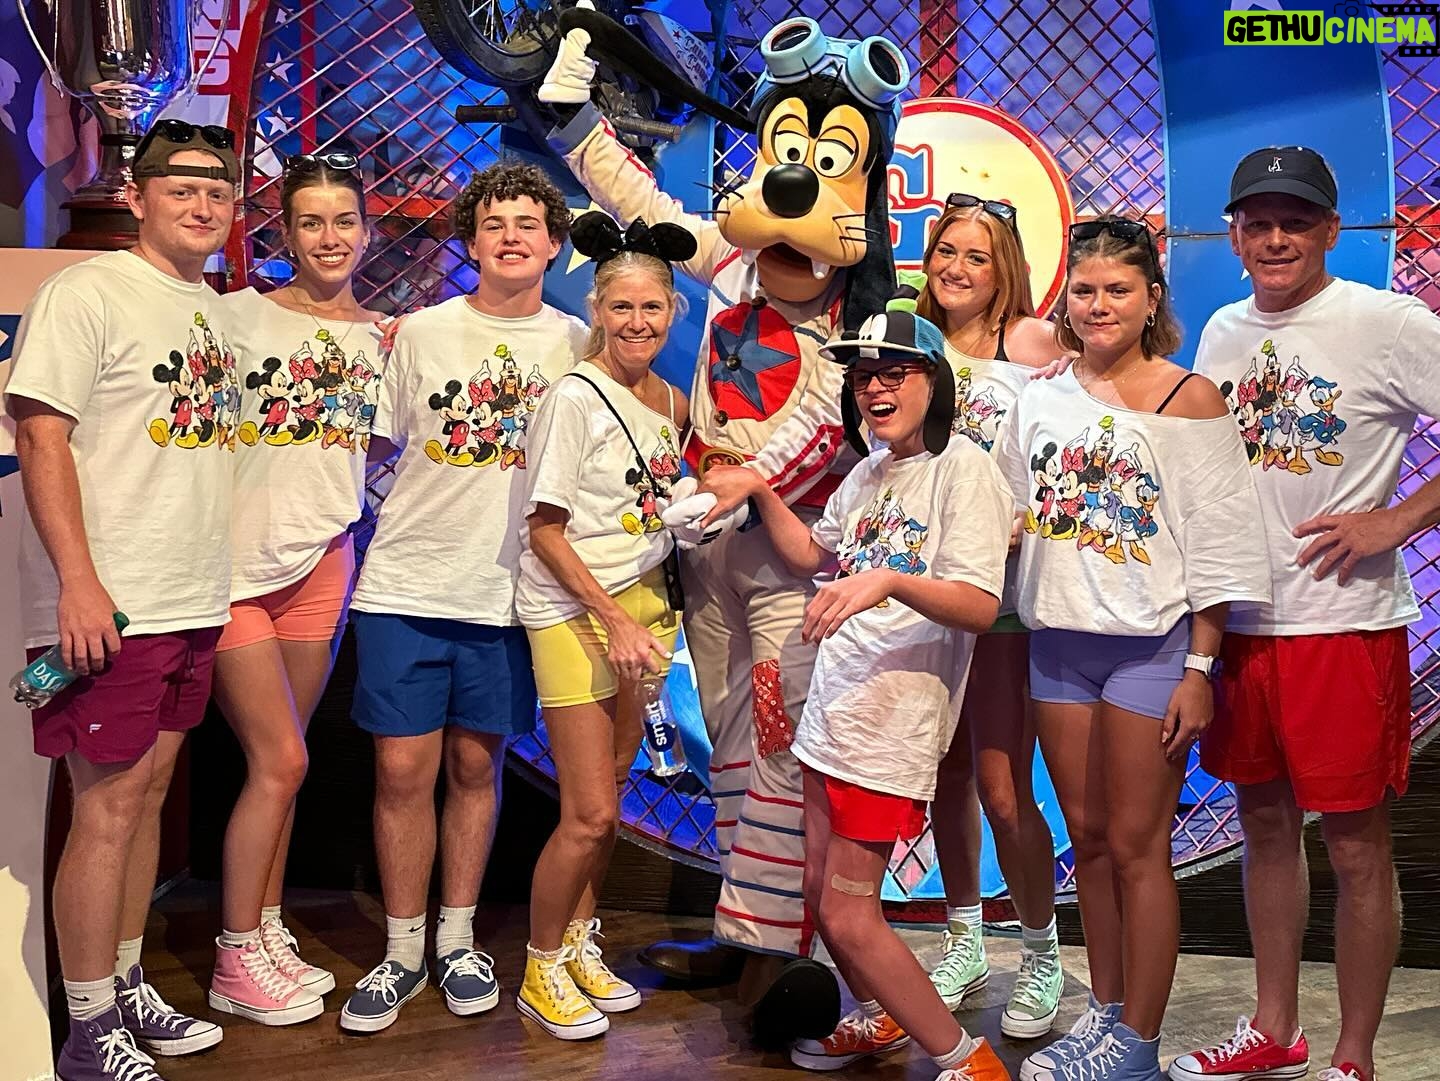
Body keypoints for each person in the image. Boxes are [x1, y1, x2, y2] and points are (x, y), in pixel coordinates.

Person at [542, 15, 906, 1038]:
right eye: (789, 154)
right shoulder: (735, 270)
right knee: (734, 742)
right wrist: (571, 117)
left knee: (785, 744)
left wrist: (738, 483)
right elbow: (640, 202)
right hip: (709, 555)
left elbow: (813, 430)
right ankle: (747, 931)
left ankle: (783, 946)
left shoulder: (857, 321)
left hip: (790, 556)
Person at [1172, 147, 1440, 1081]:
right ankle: (1274, 1027)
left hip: (1344, 625)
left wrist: (1396, 519)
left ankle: (1353, 1056)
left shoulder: (1387, 322)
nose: (1276, 238)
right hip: (1244, 626)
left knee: (1356, 842)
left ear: (1332, 229)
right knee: (1264, 826)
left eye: (1296, 221)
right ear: (1234, 236)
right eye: (1259, 223)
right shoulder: (1221, 329)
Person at [993, 216, 1271, 1081]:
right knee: (1089, 838)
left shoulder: (1192, 398)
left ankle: (1140, 1043)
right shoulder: (1040, 397)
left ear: (1152, 298)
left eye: (1118, 289)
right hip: (1056, 643)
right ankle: (1105, 1016)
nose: (1099, 304)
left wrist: (1201, 667)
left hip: (1151, 648)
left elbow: (1223, 547)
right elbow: (1004, 509)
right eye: (1084, 290)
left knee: (1138, 842)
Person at [705, 301, 1013, 1080]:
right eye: (864, 376)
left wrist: (887, 581)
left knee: (848, 908)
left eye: (893, 373)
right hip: (833, 713)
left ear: (934, 381)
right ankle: (884, 1016)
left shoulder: (965, 469)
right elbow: (815, 555)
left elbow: (979, 604)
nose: (874, 388)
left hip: (891, 722)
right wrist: (761, 490)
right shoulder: (869, 472)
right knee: (821, 894)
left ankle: (967, 1060)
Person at [7, 118, 241, 1080]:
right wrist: (78, 583)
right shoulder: (87, 291)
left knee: (144, 802)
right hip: (113, 603)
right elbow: (38, 435)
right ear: (137, 197)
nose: (202, 204)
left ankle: (124, 978)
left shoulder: (211, 307)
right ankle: (87, 1029)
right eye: (181, 187)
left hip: (192, 597)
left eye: (218, 191)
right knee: (104, 809)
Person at [338, 162, 587, 1034]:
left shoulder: (579, 345)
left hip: (509, 594)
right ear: (471, 241)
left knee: (478, 768)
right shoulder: (419, 333)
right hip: (406, 582)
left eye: (527, 223)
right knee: (400, 771)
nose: (511, 236)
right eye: (494, 223)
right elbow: (367, 447)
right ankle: (402, 949)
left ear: (554, 244)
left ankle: (457, 938)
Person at [206, 151, 386, 1025]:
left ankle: (266, 928)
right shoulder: (234, 316)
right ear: (284, 232)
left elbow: (385, 441)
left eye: (344, 220)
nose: (329, 237)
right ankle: (233, 955)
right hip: (233, 568)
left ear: (366, 231)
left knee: (282, 763)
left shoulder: (382, 339)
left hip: (323, 560)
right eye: (311, 222)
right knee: (280, 760)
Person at [513, 211, 694, 1040]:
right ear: (596, 309)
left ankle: (581, 943)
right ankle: (540, 965)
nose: (637, 321)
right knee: (586, 810)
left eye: (652, 307)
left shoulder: (672, 401)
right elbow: (545, 530)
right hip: (577, 612)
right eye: (621, 306)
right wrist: (613, 618)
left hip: (647, 608)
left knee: (612, 798)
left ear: (672, 311)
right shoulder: (573, 397)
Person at [906, 193, 1065, 1035]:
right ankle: (963, 938)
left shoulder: (1032, 342)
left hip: (1000, 598)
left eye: (977, 255)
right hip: (924, 590)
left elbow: (1079, 431)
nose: (958, 268)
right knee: (947, 775)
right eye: (947, 251)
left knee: (1004, 787)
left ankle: (1039, 950)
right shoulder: (911, 340)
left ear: (1005, 269)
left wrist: (1029, 514)